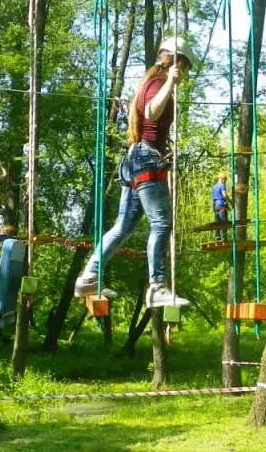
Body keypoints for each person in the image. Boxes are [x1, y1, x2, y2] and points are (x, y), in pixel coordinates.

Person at [74, 37, 193, 308]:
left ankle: (88, 277)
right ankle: (157, 287)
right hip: (145, 158)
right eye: (184, 69)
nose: (184, 75)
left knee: (123, 227)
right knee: (161, 224)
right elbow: (151, 112)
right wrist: (170, 84)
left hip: (138, 157)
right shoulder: (158, 83)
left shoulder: (148, 84)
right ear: (177, 63)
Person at [211, 173, 230, 241]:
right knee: (223, 221)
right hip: (221, 204)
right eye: (225, 180)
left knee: (217, 221)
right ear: (222, 179)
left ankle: (217, 237)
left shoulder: (214, 186)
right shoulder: (222, 185)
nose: (225, 181)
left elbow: (213, 197)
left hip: (215, 204)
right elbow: (224, 195)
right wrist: (230, 202)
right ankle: (224, 238)